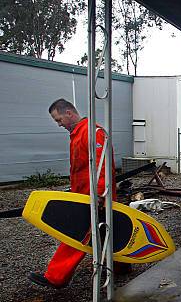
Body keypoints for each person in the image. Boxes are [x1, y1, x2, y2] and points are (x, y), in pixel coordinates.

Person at [28, 98, 116, 289]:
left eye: (59, 120)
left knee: (76, 235)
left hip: (93, 197)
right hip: (84, 195)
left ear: (68, 113)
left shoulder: (93, 133)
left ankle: (56, 277)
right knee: (108, 230)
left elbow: (103, 164)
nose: (59, 125)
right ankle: (121, 265)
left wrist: (101, 193)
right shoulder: (79, 134)